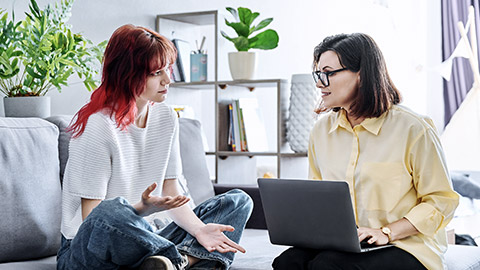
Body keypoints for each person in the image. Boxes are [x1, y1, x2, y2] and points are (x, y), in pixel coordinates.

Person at [57, 24, 253, 270]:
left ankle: (172, 262)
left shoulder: (166, 117)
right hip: (87, 249)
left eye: (167, 69)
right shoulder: (98, 126)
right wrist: (142, 208)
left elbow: (172, 189)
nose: (167, 80)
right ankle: (183, 259)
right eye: (156, 73)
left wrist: (200, 230)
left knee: (238, 201)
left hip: (149, 238)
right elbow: (93, 219)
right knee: (112, 210)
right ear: (127, 74)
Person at [273, 33, 459, 270]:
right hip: (347, 244)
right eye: (317, 74)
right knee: (287, 262)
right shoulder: (321, 132)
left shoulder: (414, 128)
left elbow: (442, 201)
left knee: (329, 266)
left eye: (328, 73)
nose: (319, 83)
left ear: (361, 74)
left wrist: (387, 232)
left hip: (406, 245)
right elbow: (319, 200)